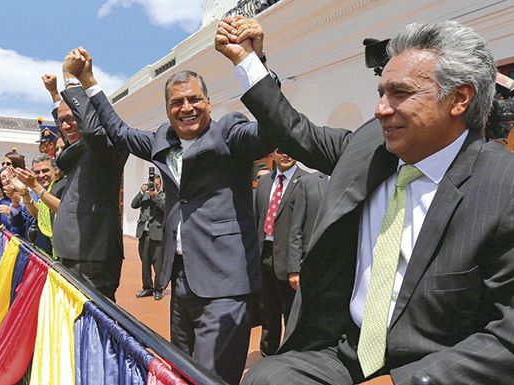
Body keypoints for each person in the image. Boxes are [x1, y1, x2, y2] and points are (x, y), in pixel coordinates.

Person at [219, 18, 514, 385]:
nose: (380, 109)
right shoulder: (367, 148)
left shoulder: (503, 186)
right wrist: (247, 59)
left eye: (400, 93)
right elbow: (293, 131)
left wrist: (401, 382)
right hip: (344, 353)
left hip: (435, 365)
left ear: (459, 99)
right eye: (380, 93)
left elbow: (507, 337)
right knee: (266, 378)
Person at [61, 46, 272, 384]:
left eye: (194, 99)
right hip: (182, 282)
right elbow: (119, 132)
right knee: (180, 372)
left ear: (208, 102)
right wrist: (87, 81)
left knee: (211, 378)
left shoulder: (230, 133)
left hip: (225, 287)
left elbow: (270, 130)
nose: (186, 108)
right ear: (167, 110)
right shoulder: (162, 140)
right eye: (177, 103)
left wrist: (252, 60)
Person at [51, 65, 131, 302]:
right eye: (61, 121)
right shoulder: (77, 151)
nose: (65, 126)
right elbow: (68, 124)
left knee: (94, 323)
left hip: (92, 257)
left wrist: (72, 83)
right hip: (74, 254)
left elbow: (92, 132)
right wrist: (55, 95)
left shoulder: (104, 147)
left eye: (72, 118)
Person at [253, 149, 309, 355]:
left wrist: (298, 266)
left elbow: (307, 225)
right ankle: (268, 352)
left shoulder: (307, 181)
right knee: (267, 311)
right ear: (274, 154)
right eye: (280, 150)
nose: (286, 154)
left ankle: (289, 355)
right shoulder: (265, 182)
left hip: (289, 260)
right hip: (263, 256)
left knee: (291, 313)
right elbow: (256, 219)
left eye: (289, 149)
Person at [11, 153, 66, 255]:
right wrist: (24, 193)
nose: (41, 175)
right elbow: (38, 215)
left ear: (55, 170)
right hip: (47, 249)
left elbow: (63, 210)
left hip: (64, 250)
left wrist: (34, 186)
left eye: (45, 171)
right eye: (37, 172)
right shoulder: (44, 189)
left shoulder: (63, 186)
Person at [130, 174, 166, 300]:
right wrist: (141, 191)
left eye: (156, 185)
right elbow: (133, 205)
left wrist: (155, 196)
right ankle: (147, 288)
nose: (153, 187)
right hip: (144, 235)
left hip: (157, 235)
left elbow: (166, 208)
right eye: (151, 184)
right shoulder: (144, 194)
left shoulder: (163, 196)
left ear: (160, 185)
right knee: (145, 263)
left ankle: (158, 289)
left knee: (158, 265)